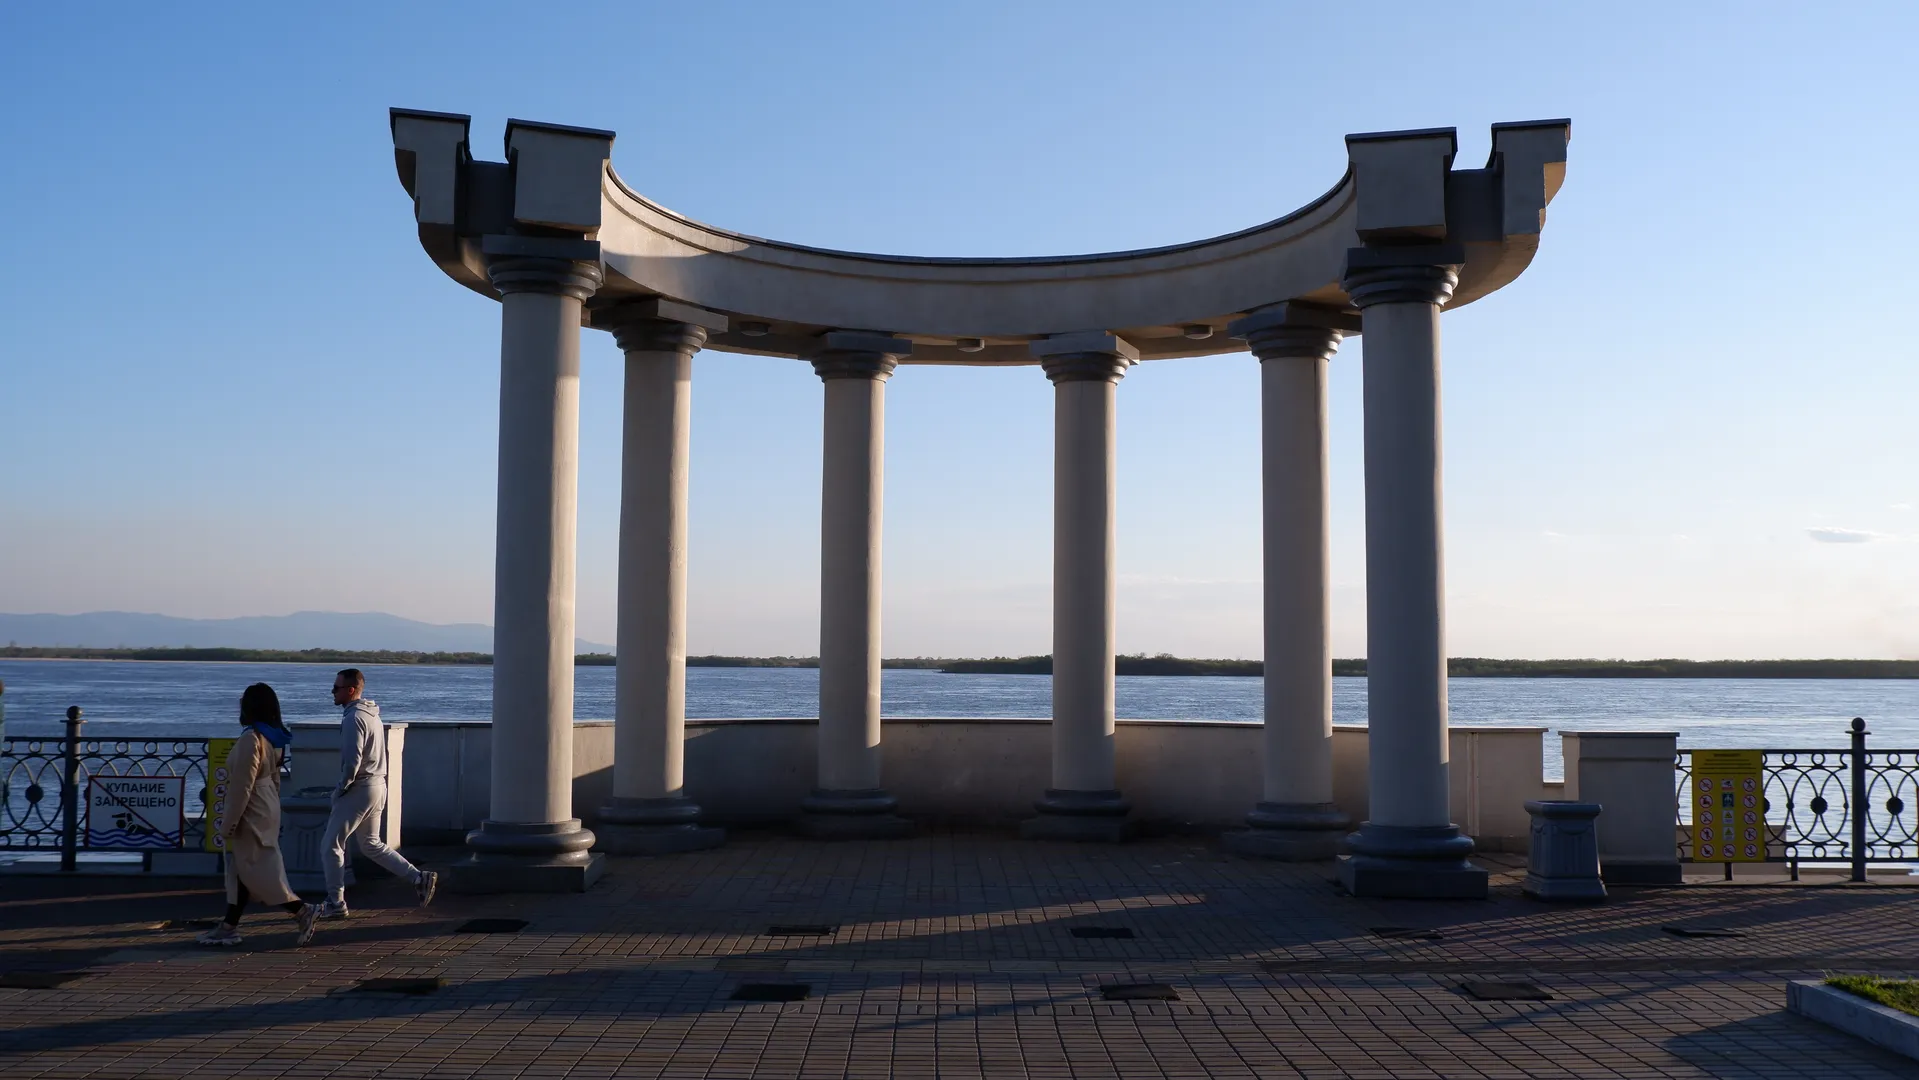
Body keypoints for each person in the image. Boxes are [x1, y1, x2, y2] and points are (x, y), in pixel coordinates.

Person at [197, 683, 319, 947]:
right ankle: (229, 926)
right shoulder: (274, 738)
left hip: (251, 810)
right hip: (266, 806)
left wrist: (228, 824)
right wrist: (272, 807)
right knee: (244, 869)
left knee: (257, 869)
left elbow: (241, 787)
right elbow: (274, 779)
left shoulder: (250, 739)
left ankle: (301, 910)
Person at [317, 668, 436, 918]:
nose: (332, 692)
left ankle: (336, 902)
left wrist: (341, 788)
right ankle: (418, 877)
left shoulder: (353, 719)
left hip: (359, 788)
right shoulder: (371, 715)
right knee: (371, 844)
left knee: (331, 845)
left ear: (351, 690)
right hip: (377, 786)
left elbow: (352, 760)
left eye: (336, 688)